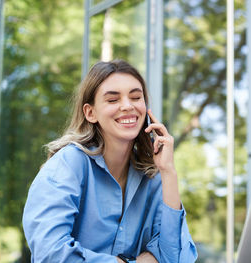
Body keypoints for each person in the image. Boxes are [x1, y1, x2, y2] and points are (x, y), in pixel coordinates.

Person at [22, 60, 198, 263]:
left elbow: (177, 257)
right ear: (90, 113)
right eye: (113, 100)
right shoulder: (68, 164)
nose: (128, 106)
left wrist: (169, 172)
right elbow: (50, 254)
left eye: (136, 97)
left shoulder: (153, 175)